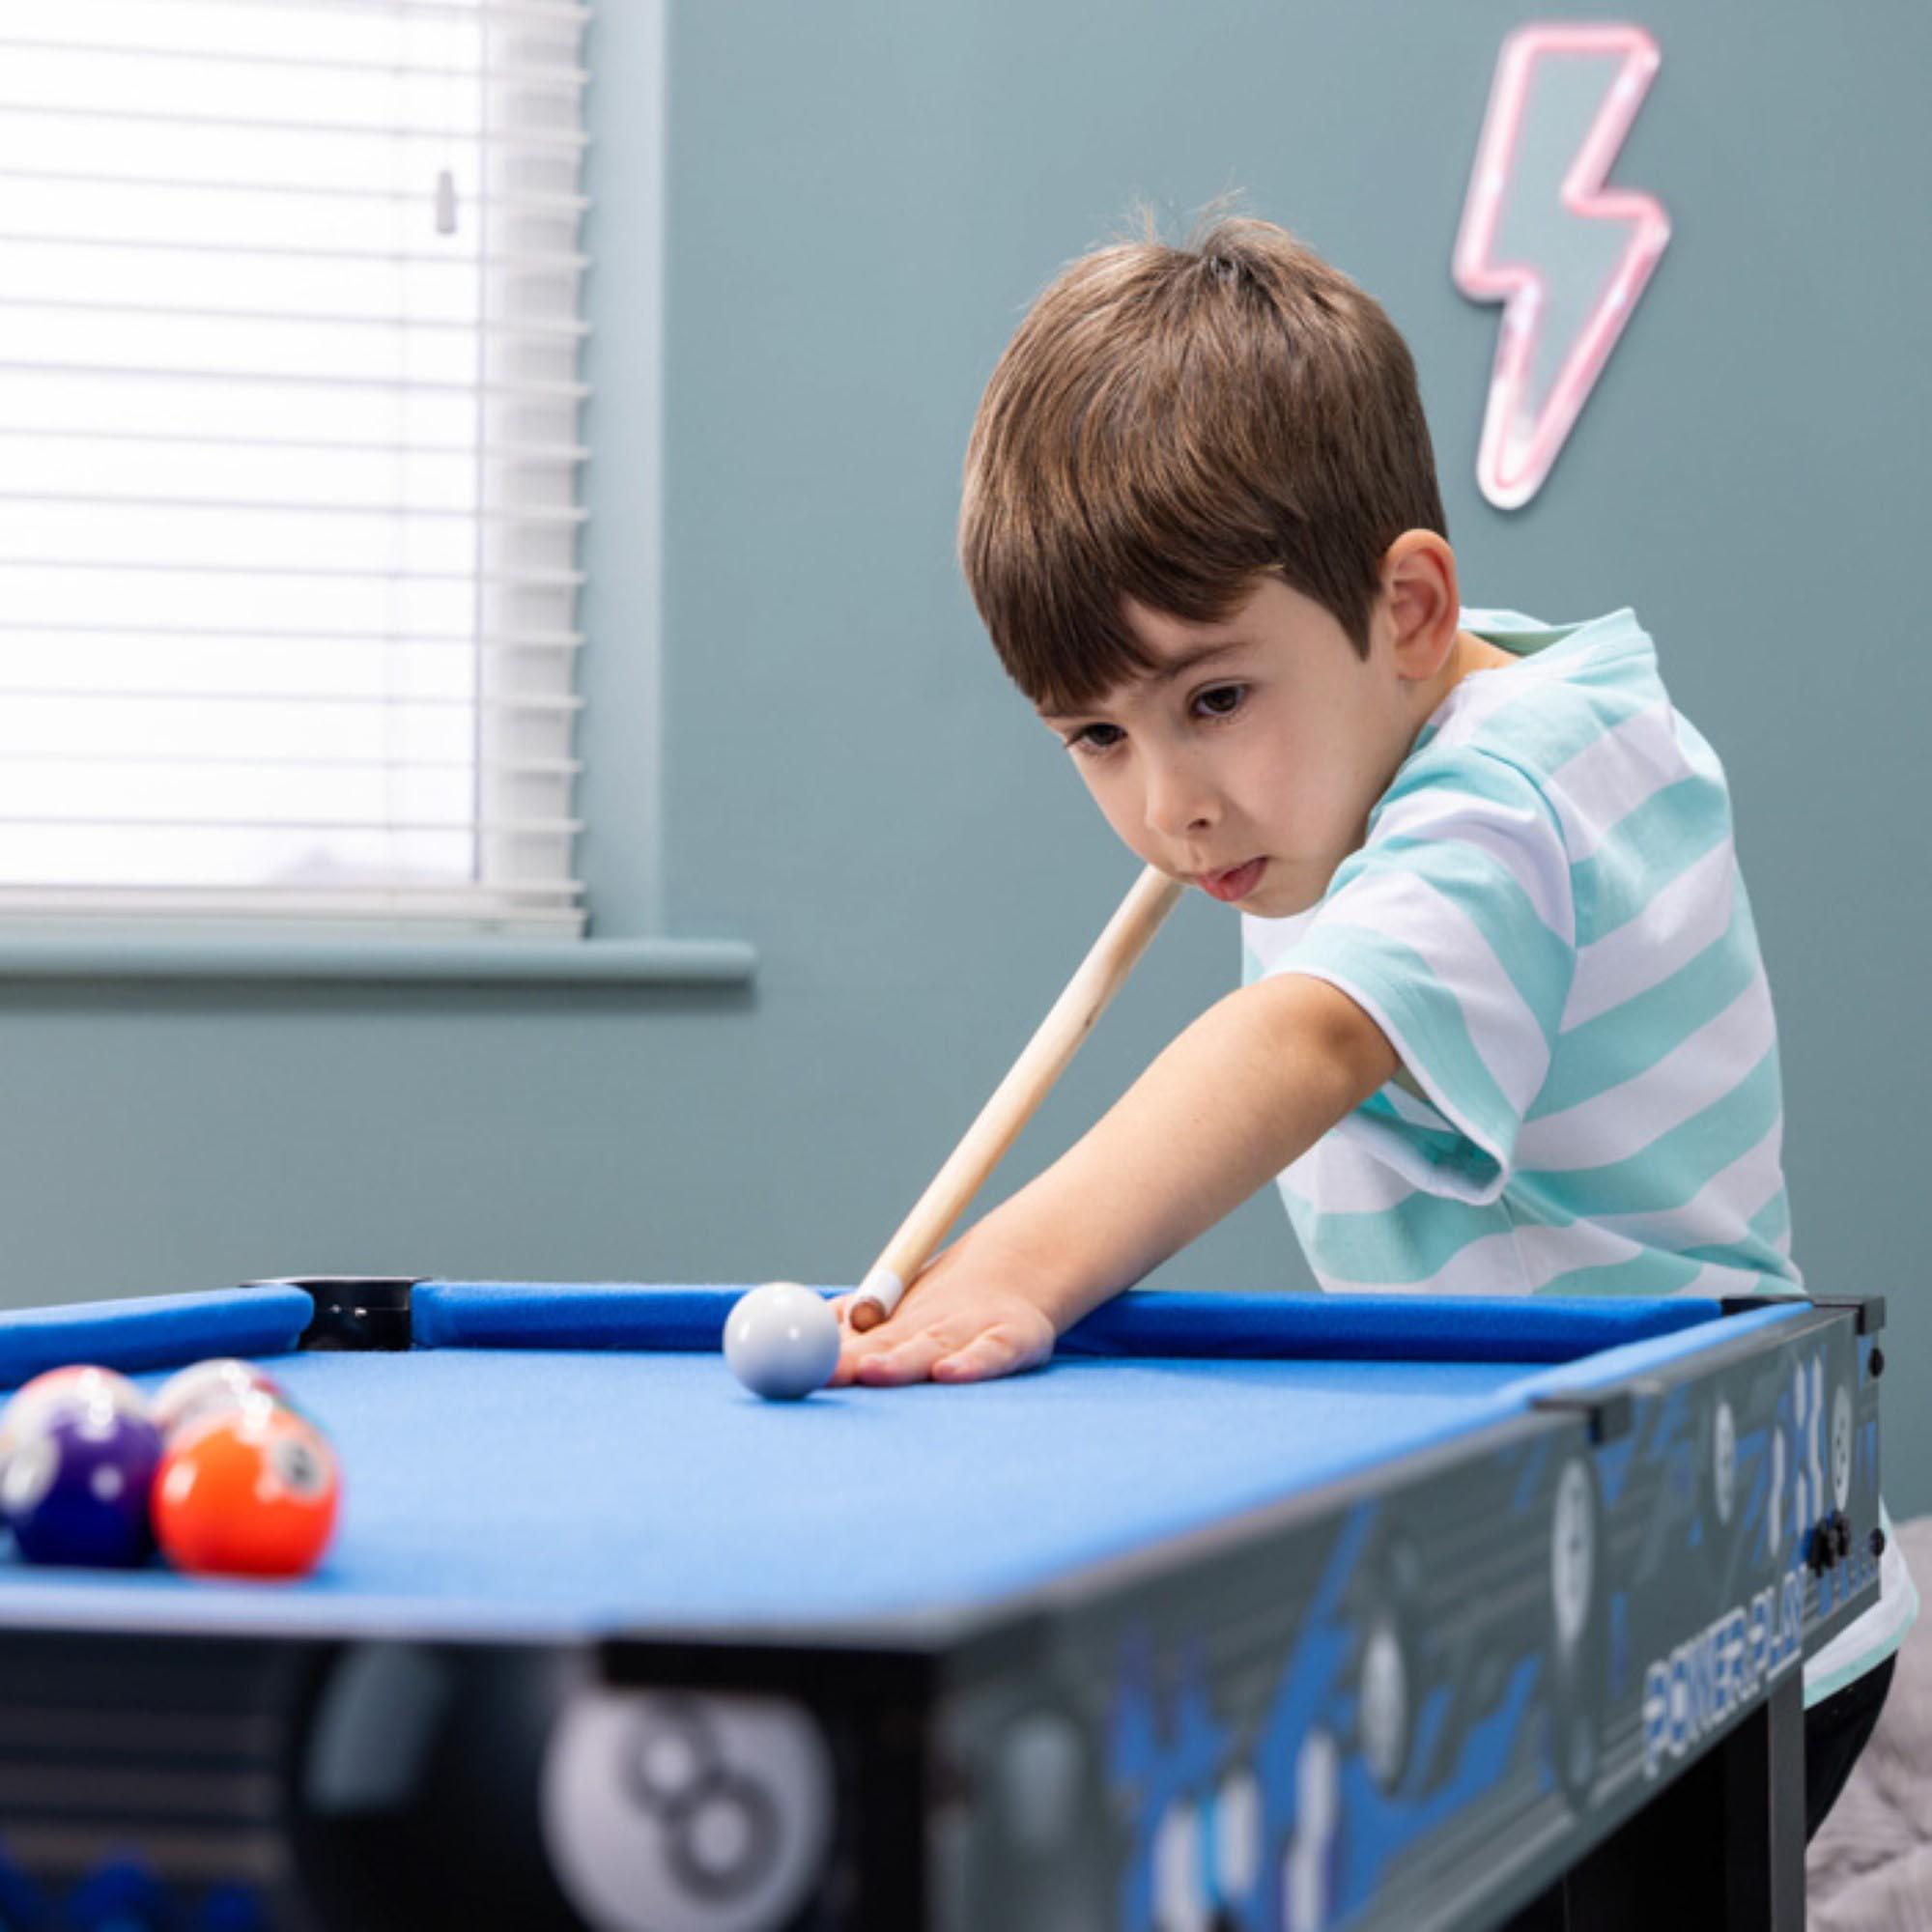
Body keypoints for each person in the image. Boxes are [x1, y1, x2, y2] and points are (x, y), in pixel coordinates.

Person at [828, 209, 1912, 1833]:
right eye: (1096, 739)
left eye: (1211, 699)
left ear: (1410, 610)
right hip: (1567, 1555)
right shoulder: (1352, 768)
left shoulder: (1519, 782)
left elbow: (1311, 1045)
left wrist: (1010, 1272)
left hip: (1719, 1577)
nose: (1170, 807)